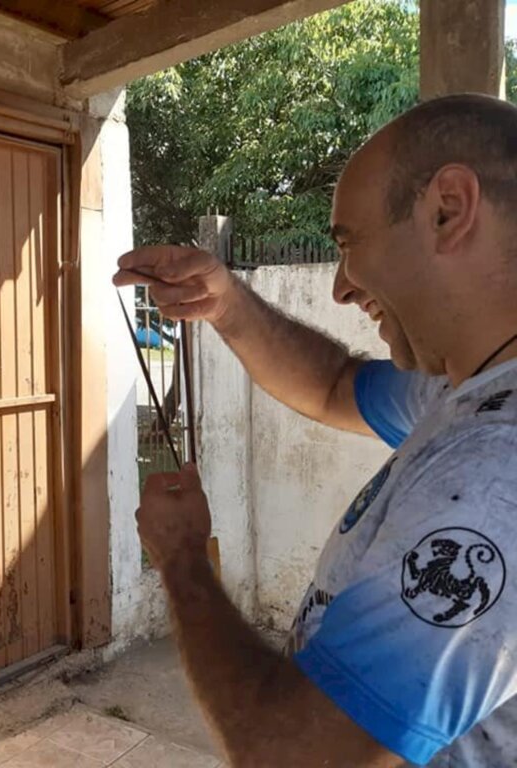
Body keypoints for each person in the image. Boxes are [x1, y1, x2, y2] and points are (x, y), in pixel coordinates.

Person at [114, 93, 517, 767]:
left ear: (449, 209)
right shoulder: (465, 390)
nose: (340, 286)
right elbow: (333, 384)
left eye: (350, 242)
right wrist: (228, 302)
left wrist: (181, 561)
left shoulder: (496, 467)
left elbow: (296, 758)